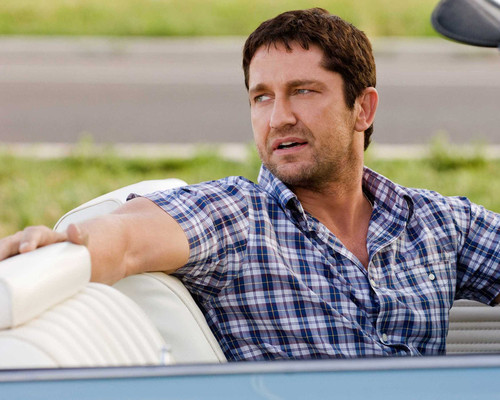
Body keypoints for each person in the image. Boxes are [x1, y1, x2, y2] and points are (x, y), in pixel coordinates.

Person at [0, 8, 499, 361]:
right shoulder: (238, 216)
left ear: (362, 109)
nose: (279, 118)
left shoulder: (438, 222)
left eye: (303, 91)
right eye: (262, 97)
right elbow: (128, 237)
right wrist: (61, 246)